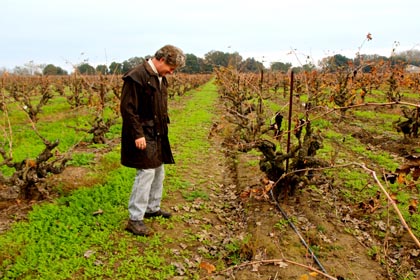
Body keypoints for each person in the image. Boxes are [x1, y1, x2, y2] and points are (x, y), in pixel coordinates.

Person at [120, 45, 185, 236]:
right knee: (146, 173)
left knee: (158, 170)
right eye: (171, 67)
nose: (172, 72)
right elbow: (128, 109)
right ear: (162, 59)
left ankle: (152, 208)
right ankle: (135, 219)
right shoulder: (136, 76)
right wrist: (137, 134)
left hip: (157, 131)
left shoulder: (160, 77)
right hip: (143, 132)